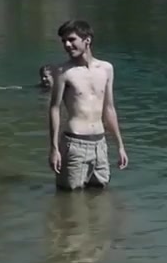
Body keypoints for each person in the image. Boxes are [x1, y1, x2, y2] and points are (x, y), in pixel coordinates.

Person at [48, 20, 128, 191]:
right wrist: (54, 148)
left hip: (100, 144)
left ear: (87, 40)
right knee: (69, 196)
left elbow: (109, 108)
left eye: (71, 39)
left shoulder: (106, 69)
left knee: (100, 194)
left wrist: (120, 146)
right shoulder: (63, 72)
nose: (67, 45)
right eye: (64, 41)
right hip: (74, 144)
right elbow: (54, 108)